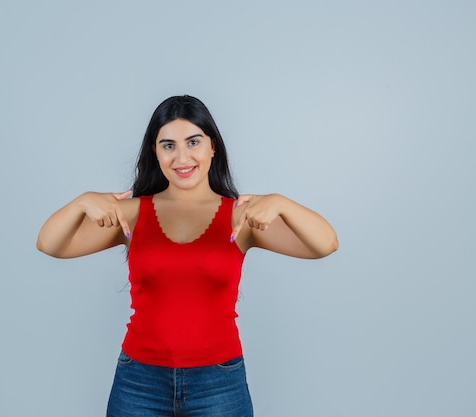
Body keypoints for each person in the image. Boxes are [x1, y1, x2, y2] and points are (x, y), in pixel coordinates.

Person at [37, 95, 338, 416]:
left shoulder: (240, 217)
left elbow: (324, 244)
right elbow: (51, 244)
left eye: (193, 142)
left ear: (213, 146)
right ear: (155, 151)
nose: (182, 156)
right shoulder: (132, 214)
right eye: (168, 145)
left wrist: (282, 202)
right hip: (139, 381)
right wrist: (81, 202)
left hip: (219, 383)